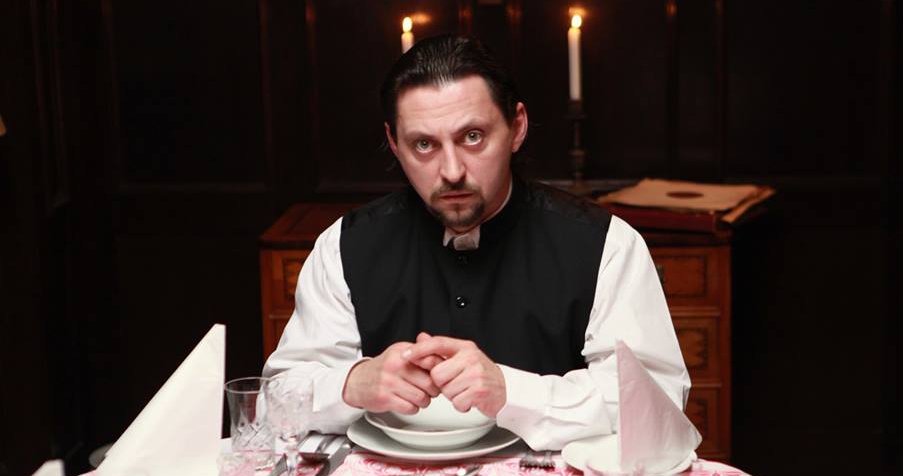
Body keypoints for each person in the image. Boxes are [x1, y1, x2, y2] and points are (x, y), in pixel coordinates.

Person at [263, 34, 689, 450]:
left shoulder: (607, 245)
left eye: (472, 137)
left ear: (516, 127)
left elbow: (657, 405)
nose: (452, 171)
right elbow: (272, 404)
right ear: (394, 143)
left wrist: (512, 392)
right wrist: (351, 384)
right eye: (424, 144)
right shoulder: (343, 246)